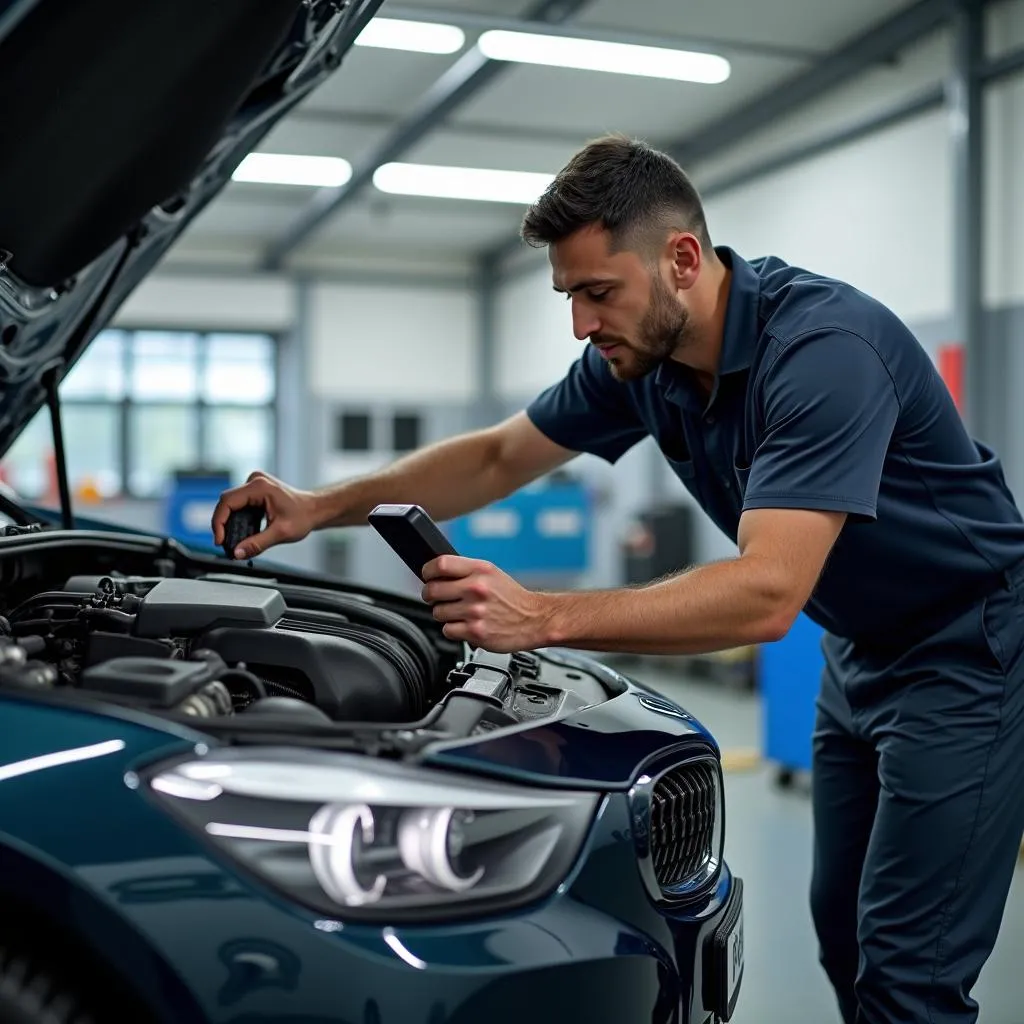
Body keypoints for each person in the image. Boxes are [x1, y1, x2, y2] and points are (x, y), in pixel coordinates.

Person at [212, 134, 1024, 1024]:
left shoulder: (823, 350)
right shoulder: (642, 363)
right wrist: (319, 506)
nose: (581, 323)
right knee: (843, 932)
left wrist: (543, 616)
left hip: (972, 648)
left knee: (910, 971)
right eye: (569, 296)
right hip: (860, 649)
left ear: (681, 260)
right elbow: (494, 458)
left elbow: (767, 593)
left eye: (599, 293)